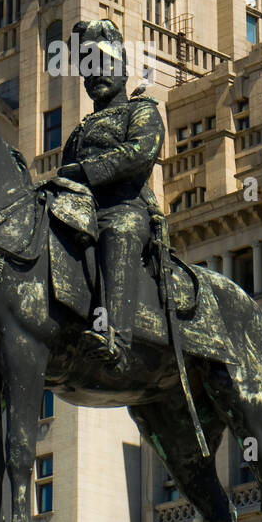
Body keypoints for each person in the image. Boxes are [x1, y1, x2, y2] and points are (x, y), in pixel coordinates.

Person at [56, 19, 165, 367]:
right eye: (89, 69)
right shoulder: (79, 131)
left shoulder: (141, 110)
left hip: (125, 206)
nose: (96, 75)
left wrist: (88, 172)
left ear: (123, 69)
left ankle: (115, 336)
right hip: (82, 210)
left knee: (119, 231)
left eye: (105, 65)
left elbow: (140, 153)